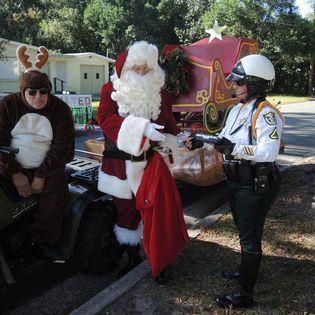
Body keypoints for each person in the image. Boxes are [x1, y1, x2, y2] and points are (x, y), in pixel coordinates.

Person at [186, 54, 284, 308]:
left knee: (250, 237)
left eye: (239, 83)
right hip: (235, 180)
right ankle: (245, 270)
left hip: (255, 182)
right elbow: (224, 137)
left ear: (254, 84)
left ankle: (245, 294)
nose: (234, 86)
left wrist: (235, 150)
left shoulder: (266, 114)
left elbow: (269, 151)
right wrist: (201, 139)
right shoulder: (237, 109)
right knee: (243, 230)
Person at [96, 40, 186, 280]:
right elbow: (104, 119)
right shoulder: (110, 90)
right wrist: (141, 128)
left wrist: (172, 140)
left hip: (150, 164)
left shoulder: (161, 94)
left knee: (156, 213)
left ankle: (160, 260)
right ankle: (133, 258)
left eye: (147, 67)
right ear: (126, 68)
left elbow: (169, 126)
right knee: (125, 214)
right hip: (119, 165)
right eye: (137, 67)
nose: (143, 71)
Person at [0, 45, 75, 257]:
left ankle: (44, 241)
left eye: (43, 92)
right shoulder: (8, 105)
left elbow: (62, 146)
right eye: (31, 92)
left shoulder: (60, 109)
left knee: (56, 194)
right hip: (12, 165)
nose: (38, 97)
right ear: (23, 91)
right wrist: (14, 173)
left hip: (48, 169)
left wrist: (41, 175)